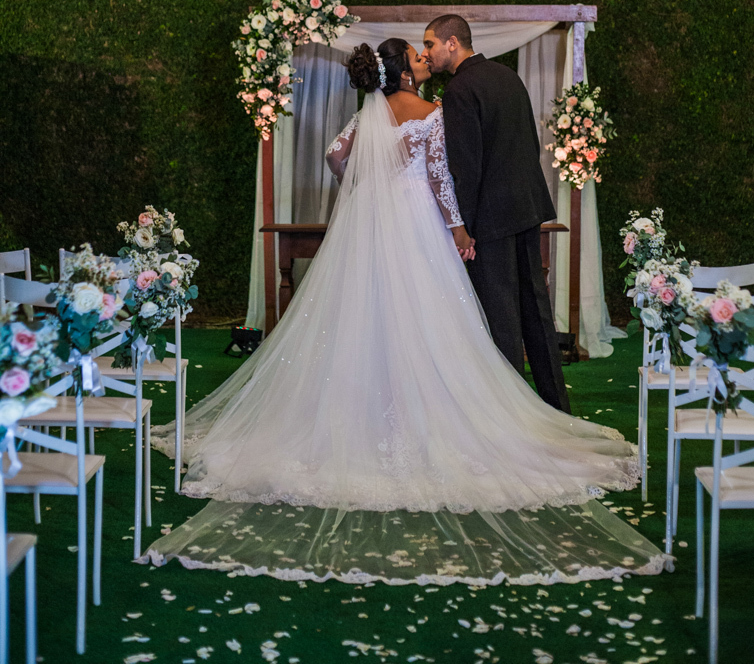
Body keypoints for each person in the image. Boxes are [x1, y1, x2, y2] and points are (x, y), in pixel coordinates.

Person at [145, 39, 665, 586]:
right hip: (418, 225)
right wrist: (459, 229)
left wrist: (365, 183)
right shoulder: (430, 112)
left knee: (362, 318)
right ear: (407, 74)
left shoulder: (367, 113)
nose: (424, 59)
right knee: (428, 320)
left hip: (370, 223)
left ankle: (362, 418)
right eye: (417, 56)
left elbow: (335, 156)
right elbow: (441, 178)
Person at [422, 14, 570, 412]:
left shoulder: (459, 89)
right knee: (537, 311)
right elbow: (529, 143)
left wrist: (463, 228)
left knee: (502, 318)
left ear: (452, 43)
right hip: (526, 207)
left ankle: (514, 414)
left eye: (430, 44)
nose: (426, 52)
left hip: (491, 219)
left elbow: (465, 166)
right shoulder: (507, 76)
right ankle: (557, 406)